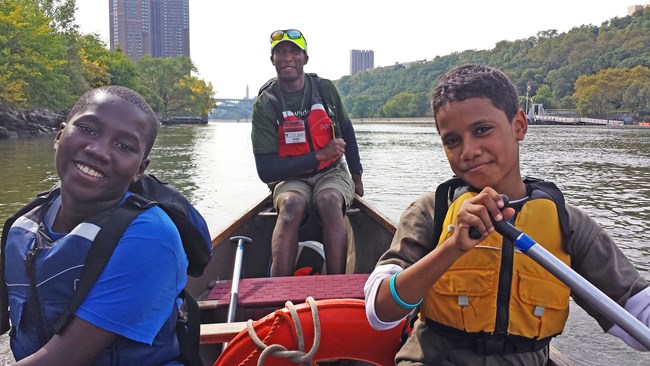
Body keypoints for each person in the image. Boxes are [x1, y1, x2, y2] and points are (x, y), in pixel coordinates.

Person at [364, 64, 650, 365]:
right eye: (452, 140)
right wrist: (452, 247)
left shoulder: (570, 225)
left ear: (519, 126)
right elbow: (380, 313)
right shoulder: (429, 212)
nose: (469, 150)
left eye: (482, 130)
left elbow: (636, 311)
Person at [2, 86, 188, 365]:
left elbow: (63, 360)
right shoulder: (22, 225)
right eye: (88, 129)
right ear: (58, 135)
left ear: (140, 168)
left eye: (124, 146)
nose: (98, 150)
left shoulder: (151, 238)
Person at [251, 29, 364, 277]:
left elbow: (346, 128)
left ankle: (335, 285)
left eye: (294, 52)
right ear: (273, 60)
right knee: (291, 205)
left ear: (305, 58)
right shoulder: (265, 103)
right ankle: (280, 293)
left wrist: (356, 175)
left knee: (330, 201)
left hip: (331, 171)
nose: (287, 57)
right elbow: (266, 170)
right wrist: (318, 155)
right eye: (280, 52)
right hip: (291, 177)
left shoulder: (325, 90)